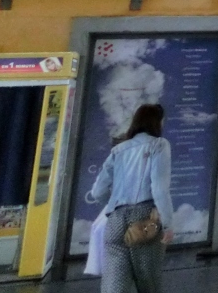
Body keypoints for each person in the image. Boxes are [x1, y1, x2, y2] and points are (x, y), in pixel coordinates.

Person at [86, 103, 175, 293]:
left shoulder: (118, 150)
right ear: (157, 122)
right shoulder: (159, 145)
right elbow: (159, 188)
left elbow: (97, 192)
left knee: (114, 285)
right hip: (145, 219)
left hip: (115, 220)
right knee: (148, 283)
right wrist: (167, 224)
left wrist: (114, 204)